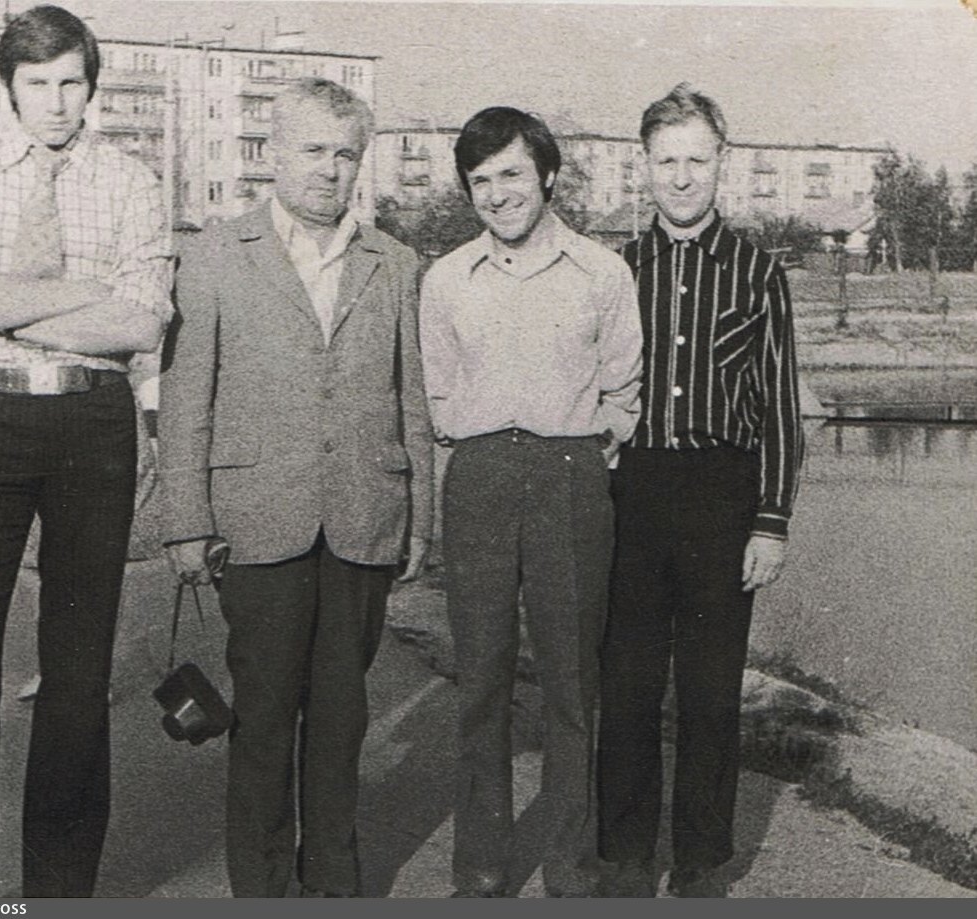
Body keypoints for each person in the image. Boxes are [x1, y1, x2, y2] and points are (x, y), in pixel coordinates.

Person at [0, 5, 172, 897]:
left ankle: (59, 891)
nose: (57, 103)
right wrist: (80, 293)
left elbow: (140, 320)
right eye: (38, 84)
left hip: (91, 424)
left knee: (77, 668)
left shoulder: (130, 179)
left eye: (71, 82)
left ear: (90, 85)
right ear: (10, 87)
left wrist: (6, 301)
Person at [159, 77, 432, 898]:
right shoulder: (214, 254)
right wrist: (184, 519)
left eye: (345, 153)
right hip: (256, 520)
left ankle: (334, 885)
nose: (328, 169)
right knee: (264, 718)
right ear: (273, 153)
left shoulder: (395, 263)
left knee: (342, 718)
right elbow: (186, 396)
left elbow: (411, 397)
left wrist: (418, 516)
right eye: (312, 149)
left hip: (362, 515)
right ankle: (262, 886)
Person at [418, 107, 644, 897]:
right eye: (479, 180)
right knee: (479, 679)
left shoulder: (601, 272)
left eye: (511, 173)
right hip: (478, 475)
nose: (497, 194)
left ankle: (571, 868)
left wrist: (582, 449)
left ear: (547, 175)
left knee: (571, 683)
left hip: (568, 476)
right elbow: (437, 390)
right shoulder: (446, 278)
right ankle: (479, 866)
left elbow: (623, 387)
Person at [596, 84, 804, 898]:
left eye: (695, 160)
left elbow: (779, 404)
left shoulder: (757, 271)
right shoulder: (616, 269)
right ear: (642, 167)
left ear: (722, 163)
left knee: (711, 691)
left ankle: (698, 860)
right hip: (634, 492)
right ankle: (624, 854)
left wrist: (770, 520)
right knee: (628, 683)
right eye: (665, 161)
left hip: (721, 494)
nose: (680, 178)